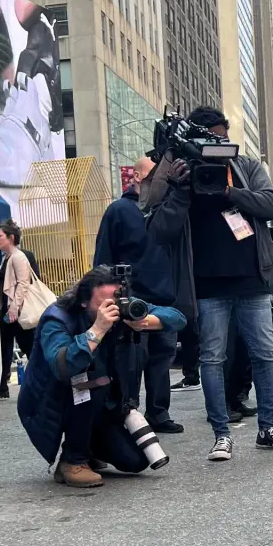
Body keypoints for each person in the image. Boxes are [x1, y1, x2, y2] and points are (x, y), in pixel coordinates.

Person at [184, 106, 273, 460]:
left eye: (220, 133)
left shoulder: (247, 166)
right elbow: (157, 206)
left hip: (252, 278)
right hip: (207, 283)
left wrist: (228, 192)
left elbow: (271, 205)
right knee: (212, 358)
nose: (216, 140)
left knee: (265, 354)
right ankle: (221, 434)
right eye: (207, 135)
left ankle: (268, 428)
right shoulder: (184, 171)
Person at [17, 265, 186, 487]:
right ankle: (72, 460)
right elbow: (63, 367)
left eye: (114, 303)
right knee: (91, 382)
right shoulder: (57, 318)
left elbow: (178, 318)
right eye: (102, 305)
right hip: (52, 401)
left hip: (104, 403)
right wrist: (97, 329)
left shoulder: (122, 307)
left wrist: (143, 321)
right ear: (83, 301)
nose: (111, 310)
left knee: (136, 462)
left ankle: (89, 447)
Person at [93, 156, 183, 434]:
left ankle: (158, 412)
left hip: (164, 297)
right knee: (129, 361)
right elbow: (103, 257)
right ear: (137, 177)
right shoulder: (119, 210)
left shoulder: (167, 208)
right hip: (131, 299)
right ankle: (127, 412)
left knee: (161, 359)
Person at [0, 218, 36, 398]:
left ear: (11, 238)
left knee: (28, 346)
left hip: (17, 310)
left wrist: (14, 307)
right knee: (5, 346)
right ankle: (2, 384)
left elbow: (23, 283)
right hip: (7, 309)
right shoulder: (5, 258)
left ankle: (40, 379)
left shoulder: (18, 256)